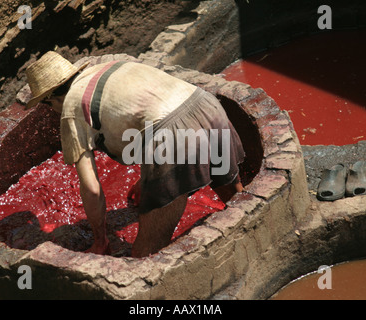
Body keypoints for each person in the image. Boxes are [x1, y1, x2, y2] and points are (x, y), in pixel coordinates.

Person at [25, 51, 245, 258]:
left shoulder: (70, 109)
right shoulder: (107, 68)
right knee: (238, 203)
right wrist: (147, 181)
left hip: (172, 135)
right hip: (206, 105)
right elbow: (146, 113)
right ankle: (249, 239)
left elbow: (91, 188)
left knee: (146, 256)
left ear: (51, 100)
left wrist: (100, 240)